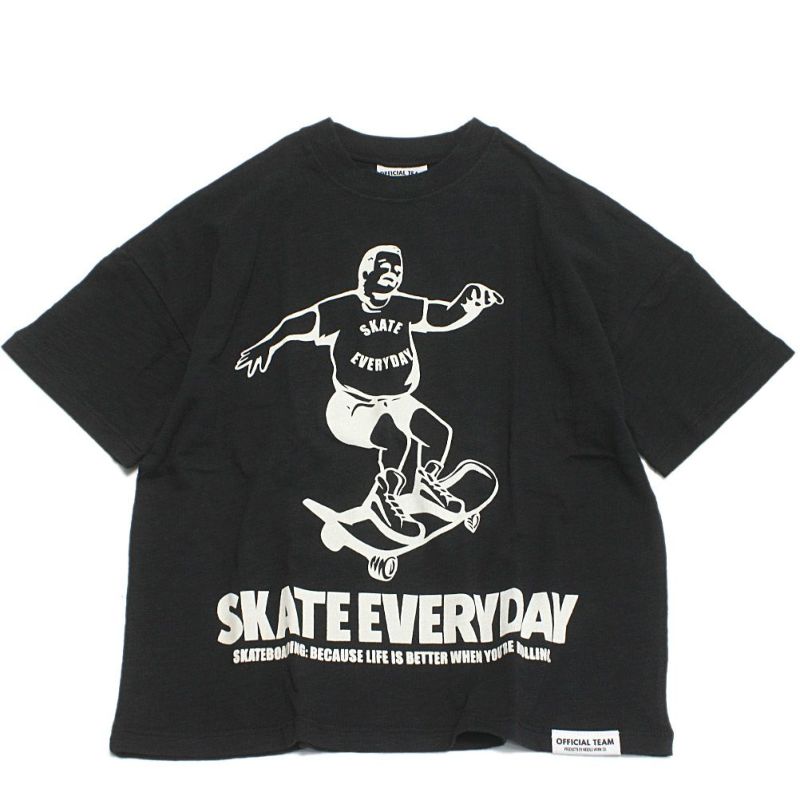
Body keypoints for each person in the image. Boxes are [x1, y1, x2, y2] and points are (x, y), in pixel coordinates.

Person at [235, 243, 503, 536]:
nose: (392, 274)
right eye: (384, 268)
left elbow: (444, 316)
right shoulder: (341, 309)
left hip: (397, 400)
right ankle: (383, 497)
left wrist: (469, 302)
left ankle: (425, 483)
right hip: (351, 406)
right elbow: (297, 323)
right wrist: (268, 344)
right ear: (365, 272)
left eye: (397, 270)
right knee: (396, 439)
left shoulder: (404, 306)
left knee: (438, 434)